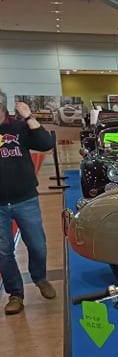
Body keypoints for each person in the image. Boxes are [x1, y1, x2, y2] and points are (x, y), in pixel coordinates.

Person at [0, 99, 56, 315]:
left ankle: (40, 278)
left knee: (37, 245)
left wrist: (29, 117)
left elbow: (46, 143)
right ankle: (15, 294)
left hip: (25, 199)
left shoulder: (19, 127)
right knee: (4, 252)